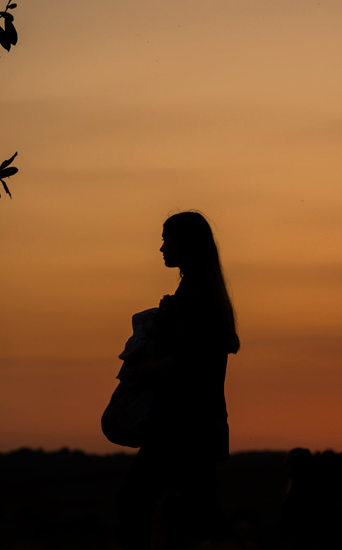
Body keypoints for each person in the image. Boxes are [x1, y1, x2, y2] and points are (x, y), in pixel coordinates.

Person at [118, 211, 239, 549]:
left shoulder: (194, 296)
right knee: (195, 513)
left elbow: (187, 362)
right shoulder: (199, 293)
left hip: (181, 424)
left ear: (185, 245)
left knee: (136, 503)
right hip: (196, 423)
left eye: (166, 239)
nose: (161, 248)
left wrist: (139, 370)